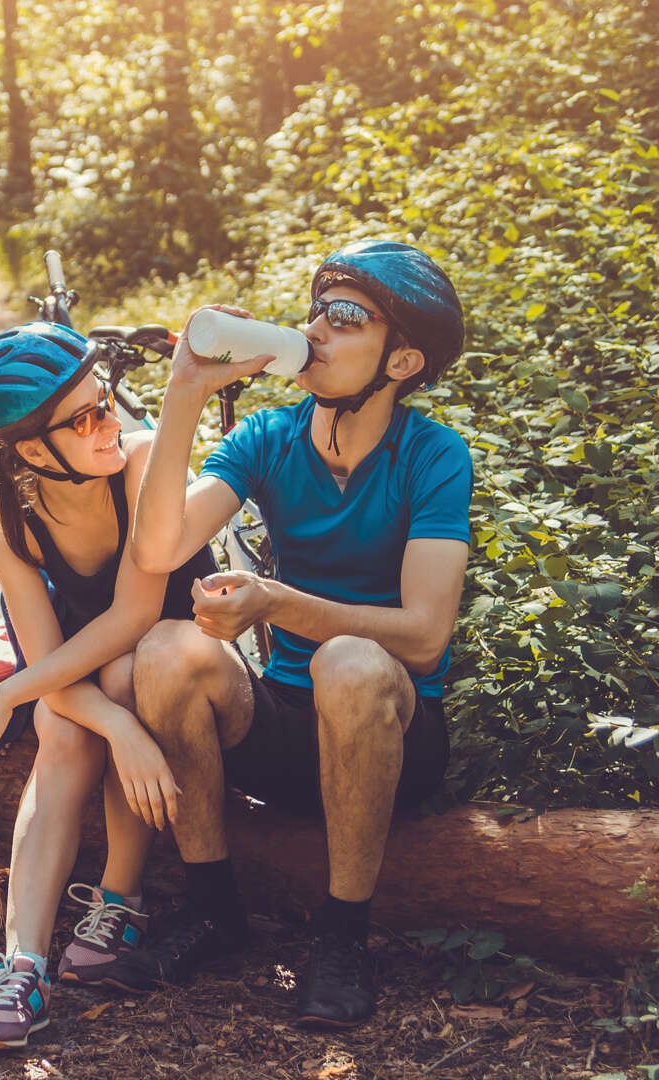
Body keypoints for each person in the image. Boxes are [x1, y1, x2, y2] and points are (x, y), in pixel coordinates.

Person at [127, 239, 472, 1027]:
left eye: (346, 317)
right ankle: (213, 910)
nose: (316, 328)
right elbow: (158, 549)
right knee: (166, 649)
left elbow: (422, 638)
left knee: (350, 663)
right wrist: (184, 390)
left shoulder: (434, 455)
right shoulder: (267, 437)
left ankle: (343, 937)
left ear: (401, 361)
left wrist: (274, 602)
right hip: (286, 730)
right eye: (316, 309)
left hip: (395, 730)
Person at [0, 321, 217, 1050]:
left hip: (178, 669)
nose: (113, 423)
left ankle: (118, 899)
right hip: (90, 684)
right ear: (35, 450)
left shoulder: (137, 466)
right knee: (63, 724)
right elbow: (54, 675)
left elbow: (135, 614)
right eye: (87, 417)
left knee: (122, 675)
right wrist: (108, 726)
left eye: (107, 401)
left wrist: (10, 694)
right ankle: (22, 967)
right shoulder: (10, 519)